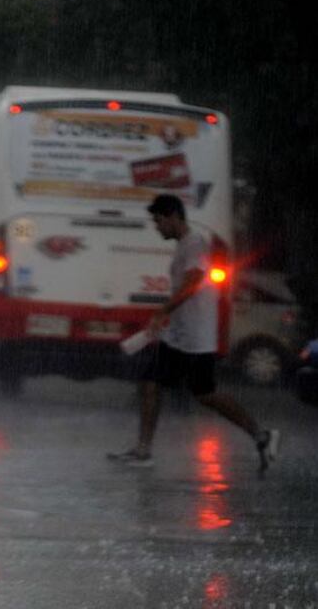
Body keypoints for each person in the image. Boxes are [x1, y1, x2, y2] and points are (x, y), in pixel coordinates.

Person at [108, 194, 281, 472]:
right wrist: (167, 319)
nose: (157, 227)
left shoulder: (195, 244)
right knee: (150, 383)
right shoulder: (184, 246)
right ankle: (143, 451)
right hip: (179, 336)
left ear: (174, 216)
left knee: (204, 394)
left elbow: (193, 284)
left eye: (159, 221)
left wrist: (163, 311)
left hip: (196, 339)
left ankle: (262, 436)